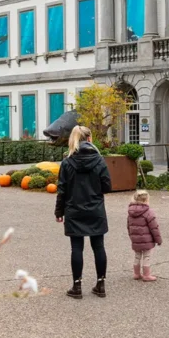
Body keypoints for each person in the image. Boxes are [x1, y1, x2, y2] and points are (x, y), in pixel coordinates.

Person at [55, 125, 112, 299]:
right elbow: (107, 187)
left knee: (76, 248)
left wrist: (59, 211)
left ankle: (77, 286)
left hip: (74, 208)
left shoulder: (67, 162)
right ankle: (100, 284)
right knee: (98, 246)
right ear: (89, 139)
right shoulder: (99, 160)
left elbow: (62, 190)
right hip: (95, 208)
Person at [126, 188, 162, 282]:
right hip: (146, 240)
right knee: (146, 256)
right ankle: (146, 275)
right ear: (146, 200)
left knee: (137, 255)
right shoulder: (148, 212)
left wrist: (132, 237)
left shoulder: (130, 212)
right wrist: (158, 240)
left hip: (135, 239)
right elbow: (154, 227)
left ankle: (136, 274)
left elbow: (128, 226)